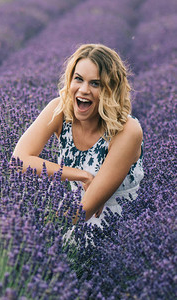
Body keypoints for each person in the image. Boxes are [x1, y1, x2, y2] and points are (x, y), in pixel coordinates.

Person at [12, 44, 144, 227]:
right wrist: (81, 175)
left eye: (95, 83)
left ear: (111, 89)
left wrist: (39, 232)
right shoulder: (59, 110)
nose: (83, 89)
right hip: (71, 212)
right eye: (78, 79)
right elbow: (19, 160)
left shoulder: (128, 130)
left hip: (119, 228)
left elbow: (85, 209)